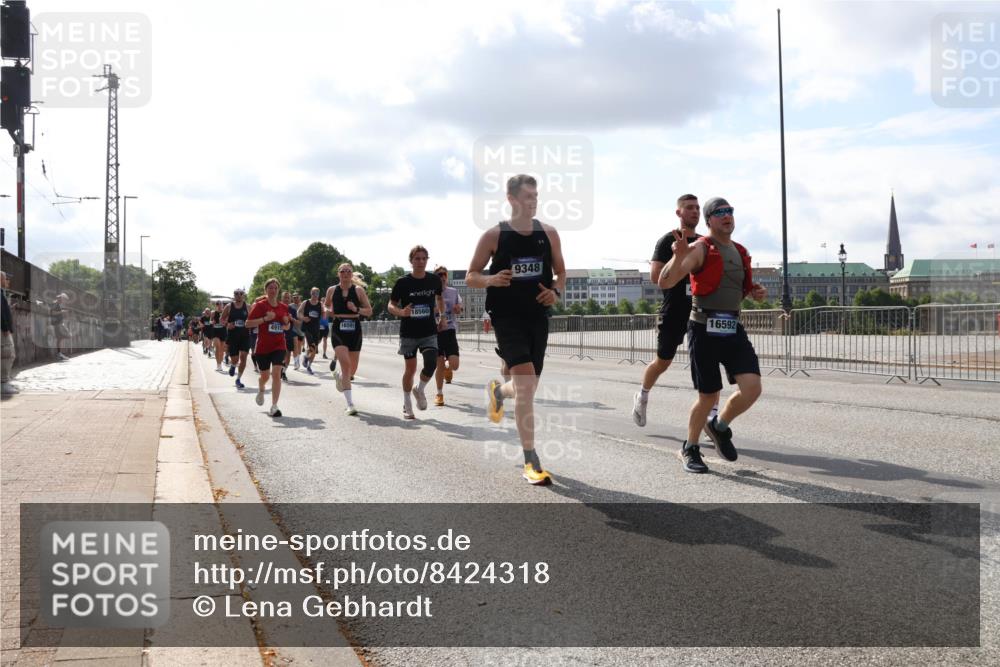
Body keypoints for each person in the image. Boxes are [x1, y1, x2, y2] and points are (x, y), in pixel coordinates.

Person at [466, 174, 566, 485]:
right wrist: (491, 279)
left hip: (537, 316)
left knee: (526, 387)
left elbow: (561, 272)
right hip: (506, 316)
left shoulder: (548, 233)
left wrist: (556, 292)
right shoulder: (494, 235)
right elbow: (471, 275)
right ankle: (530, 459)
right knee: (525, 384)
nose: (533, 200)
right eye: (527, 196)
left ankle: (498, 391)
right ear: (511, 199)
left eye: (536, 195)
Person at [659, 197, 767, 473]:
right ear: (709, 221)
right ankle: (690, 447)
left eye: (729, 211)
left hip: (732, 328)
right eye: (719, 212)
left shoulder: (740, 251)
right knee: (709, 395)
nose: (726, 215)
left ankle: (718, 426)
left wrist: (755, 292)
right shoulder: (699, 248)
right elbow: (665, 281)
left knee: (752, 388)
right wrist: (678, 256)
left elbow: (736, 288)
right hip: (703, 329)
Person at [633, 194, 716, 427]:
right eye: (689, 208)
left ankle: (711, 416)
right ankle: (643, 395)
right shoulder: (666, 241)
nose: (695, 212)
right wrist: (679, 257)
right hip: (674, 311)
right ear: (679, 213)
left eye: (698, 208)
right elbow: (655, 277)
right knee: (663, 361)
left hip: (701, 311)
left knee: (708, 361)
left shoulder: (704, 242)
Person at [388, 246, 446, 419]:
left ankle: (419, 390)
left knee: (431, 363)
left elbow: (439, 298)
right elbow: (391, 305)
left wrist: (442, 316)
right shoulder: (403, 282)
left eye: (423, 258)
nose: (421, 262)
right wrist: (401, 312)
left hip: (429, 331)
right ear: (411, 261)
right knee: (410, 369)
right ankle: (407, 403)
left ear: (427, 260)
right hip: (409, 333)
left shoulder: (434, 280)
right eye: (417, 259)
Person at [324, 264, 373, 415]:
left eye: (348, 271)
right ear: (338, 274)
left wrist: (356, 309)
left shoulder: (358, 291)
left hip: (355, 329)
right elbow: (325, 306)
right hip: (339, 328)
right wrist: (328, 311)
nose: (345, 273)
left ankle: (340, 376)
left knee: (352, 370)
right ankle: (350, 404)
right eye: (342, 271)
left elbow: (369, 311)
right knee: (345, 365)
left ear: (352, 274)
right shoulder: (332, 290)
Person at [246, 278, 291, 417]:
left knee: (276, 373)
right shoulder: (260, 306)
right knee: (264, 376)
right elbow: (248, 324)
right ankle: (261, 388)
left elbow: (287, 326)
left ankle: (274, 406)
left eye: (275, 288)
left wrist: (286, 324)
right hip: (263, 346)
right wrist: (265, 319)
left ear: (278, 290)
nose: (273, 290)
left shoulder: (284, 307)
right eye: (270, 288)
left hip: (279, 345)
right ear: (266, 290)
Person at [432, 266, 463, 406]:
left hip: (450, 331)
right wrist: (436, 310)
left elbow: (459, 308)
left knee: (455, 365)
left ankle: (448, 368)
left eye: (444, 274)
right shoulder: (430, 293)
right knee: (439, 366)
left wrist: (458, 309)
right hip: (436, 333)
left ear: (447, 277)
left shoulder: (453, 291)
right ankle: (439, 394)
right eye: (439, 275)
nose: (442, 277)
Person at [223, 289, 252, 389]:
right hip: (233, 336)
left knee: (243, 357)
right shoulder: (229, 306)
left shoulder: (248, 307)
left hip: (245, 336)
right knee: (235, 359)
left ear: (243, 295)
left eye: (241, 294)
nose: (238, 295)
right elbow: (221, 320)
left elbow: (253, 319)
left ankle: (238, 379)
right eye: (236, 294)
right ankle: (233, 365)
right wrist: (227, 324)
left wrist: (250, 324)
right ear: (234, 295)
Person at [298, 288, 324, 375]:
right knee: (311, 345)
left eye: (316, 293)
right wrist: (302, 318)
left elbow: (324, 314)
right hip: (307, 327)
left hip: (316, 328)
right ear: (311, 293)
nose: (315, 295)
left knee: (314, 349)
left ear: (318, 294)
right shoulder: (306, 302)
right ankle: (306, 357)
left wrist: (325, 313)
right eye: (313, 293)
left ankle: (309, 364)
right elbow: (299, 312)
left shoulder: (320, 304)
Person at [1, 271, 18, 395]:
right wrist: (5, 328)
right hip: (2, 331)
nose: (7, 281)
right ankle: (3, 383)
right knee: (7, 355)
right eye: (5, 278)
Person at [51, 293, 70, 360]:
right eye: (63, 300)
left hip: (59, 323)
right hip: (57, 324)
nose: (63, 301)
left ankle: (59, 354)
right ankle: (59, 354)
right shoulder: (55, 303)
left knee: (60, 338)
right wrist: (62, 312)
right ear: (60, 299)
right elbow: (53, 313)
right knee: (61, 338)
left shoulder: (57, 304)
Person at [209, 301, 228, 371]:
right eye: (217, 304)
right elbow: (210, 321)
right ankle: (218, 365)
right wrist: (212, 322)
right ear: (216, 305)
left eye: (220, 304)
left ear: (222, 305)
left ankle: (220, 364)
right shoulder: (213, 312)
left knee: (222, 349)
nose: (219, 306)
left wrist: (225, 322)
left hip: (223, 331)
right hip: (215, 331)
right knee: (218, 347)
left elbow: (227, 320)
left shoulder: (225, 312)